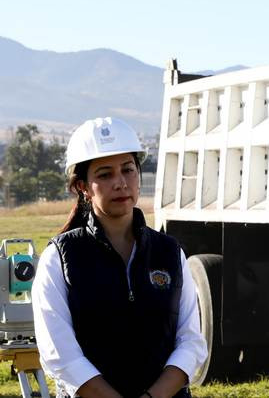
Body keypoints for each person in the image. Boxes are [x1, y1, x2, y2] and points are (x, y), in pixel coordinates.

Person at [32, 117, 207, 398]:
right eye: (104, 174)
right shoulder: (59, 258)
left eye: (128, 170)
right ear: (82, 187)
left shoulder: (170, 252)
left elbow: (191, 343)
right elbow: (60, 354)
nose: (120, 183)